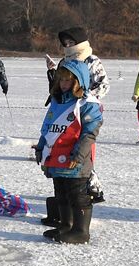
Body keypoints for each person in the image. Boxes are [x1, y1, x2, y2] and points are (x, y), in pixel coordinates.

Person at [37, 58, 102, 244]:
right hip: (56, 158)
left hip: (75, 160)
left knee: (77, 195)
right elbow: (47, 129)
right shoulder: (57, 102)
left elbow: (90, 132)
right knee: (61, 192)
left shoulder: (87, 103)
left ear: (78, 81)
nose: (64, 84)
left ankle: (81, 231)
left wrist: (78, 155)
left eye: (68, 80)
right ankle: (66, 224)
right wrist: (41, 148)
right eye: (61, 80)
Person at [44, 27, 109, 205]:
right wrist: (52, 72)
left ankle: (93, 188)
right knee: (63, 149)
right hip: (63, 114)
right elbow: (58, 86)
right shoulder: (64, 61)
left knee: (84, 151)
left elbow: (103, 86)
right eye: (65, 43)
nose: (68, 45)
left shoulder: (91, 60)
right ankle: (67, 191)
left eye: (71, 42)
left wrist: (85, 99)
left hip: (84, 113)